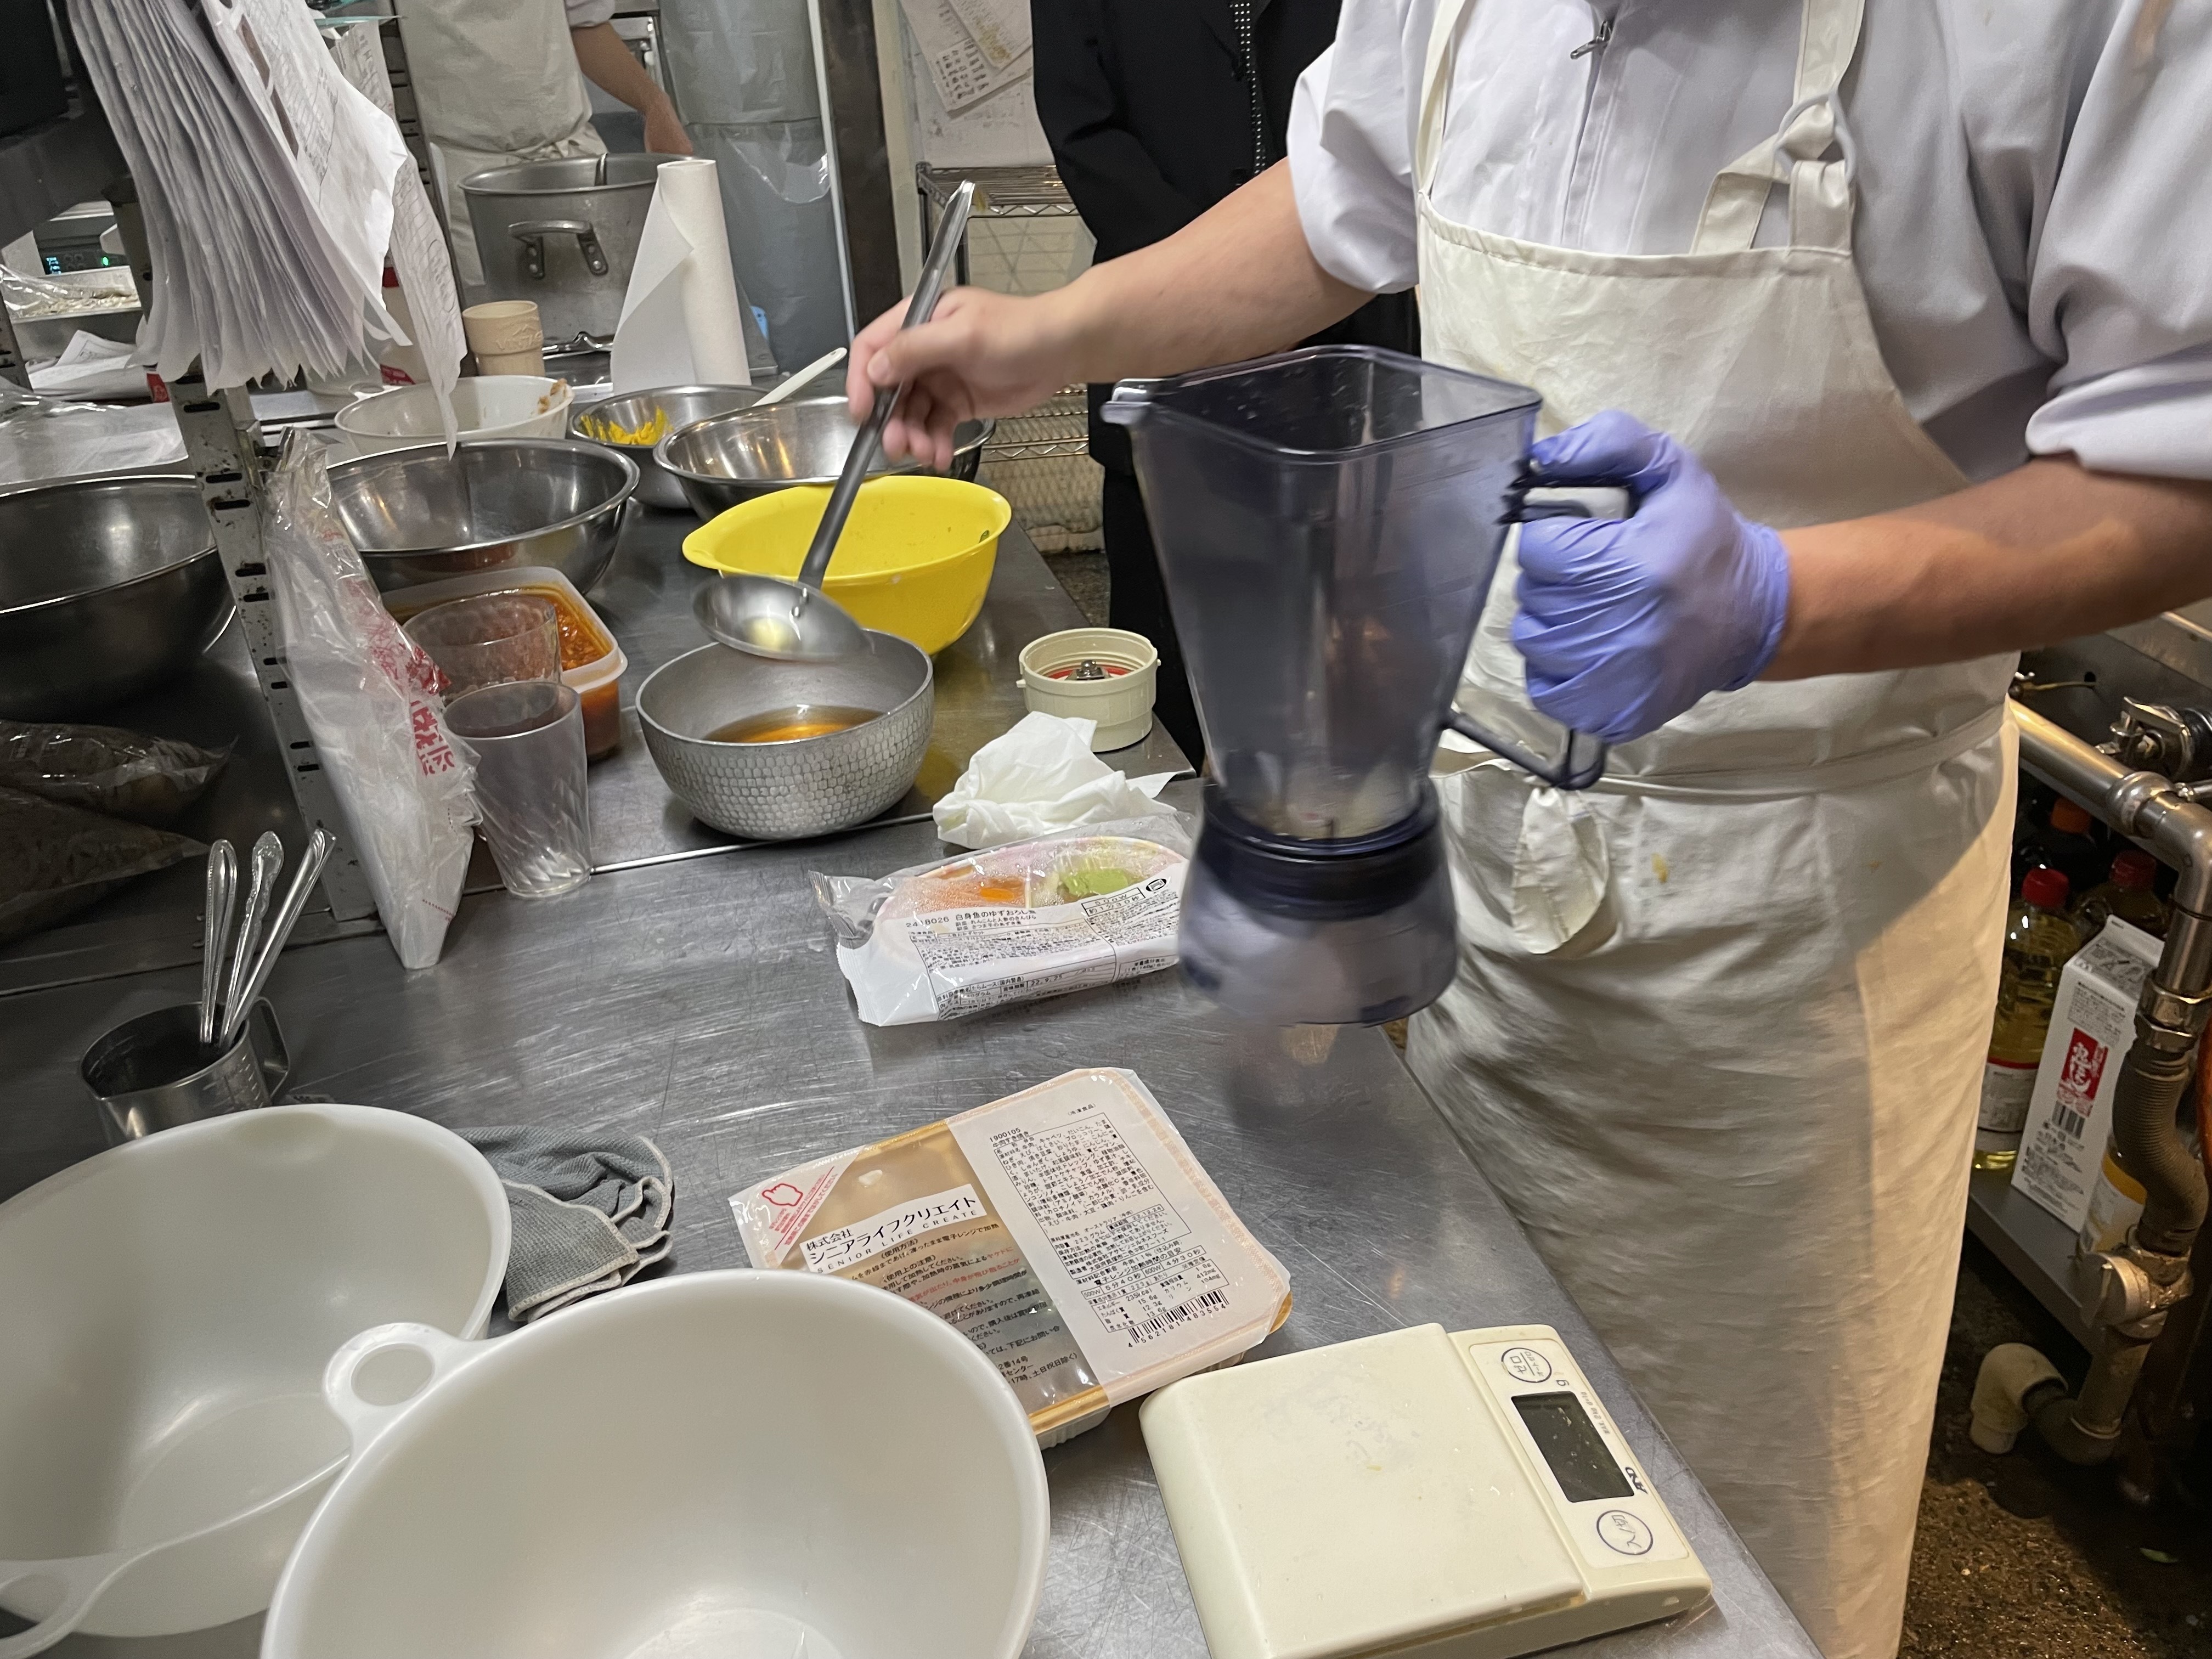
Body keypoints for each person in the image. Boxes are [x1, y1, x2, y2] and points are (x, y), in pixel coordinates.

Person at [841, 3, 2212, 1655]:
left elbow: (2181, 462)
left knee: (1724, 1560)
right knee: (1472, 1468)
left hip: (1785, 945)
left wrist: (1779, 598)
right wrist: (1054, 335)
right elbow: (1340, 202)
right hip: (1483, 854)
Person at [1032, 0, 1415, 764]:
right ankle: (1166, 824)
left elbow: (1384, 125)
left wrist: (1291, 291)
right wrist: (1222, 296)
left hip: (1345, 340)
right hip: (1157, 337)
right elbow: (1083, 129)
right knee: (1163, 659)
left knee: (1342, 657)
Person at [397, 0, 693, 292]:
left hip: (572, 164)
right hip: (462, 185)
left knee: (617, 301)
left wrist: (655, 105)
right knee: (494, 312)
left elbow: (585, 24)